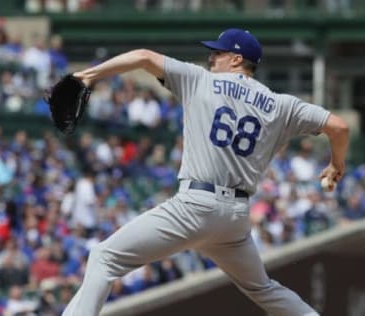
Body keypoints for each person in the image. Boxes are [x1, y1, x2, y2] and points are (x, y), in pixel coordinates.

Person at [62, 28, 349, 316]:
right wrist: (336, 164)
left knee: (104, 257)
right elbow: (339, 127)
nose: (211, 58)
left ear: (236, 59)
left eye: (218, 53)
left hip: (196, 205)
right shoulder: (281, 104)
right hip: (235, 218)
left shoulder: (200, 80)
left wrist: (87, 76)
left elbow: (143, 56)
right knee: (263, 288)